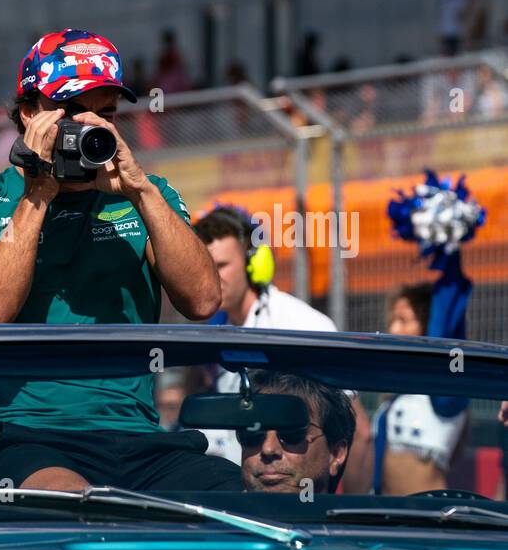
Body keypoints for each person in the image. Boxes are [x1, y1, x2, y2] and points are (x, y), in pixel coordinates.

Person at [0, 27, 235, 494]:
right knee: (78, 504)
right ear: (29, 113)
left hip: (135, 437)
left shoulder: (145, 195)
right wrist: (38, 194)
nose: (94, 129)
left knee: (240, 500)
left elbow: (203, 299)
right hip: (21, 439)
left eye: (108, 115)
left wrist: (141, 191)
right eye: (75, 113)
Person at [195, 206, 373, 491]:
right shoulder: (217, 330)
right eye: (203, 267)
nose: (211, 277)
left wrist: (353, 518)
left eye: (221, 266)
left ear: (255, 264)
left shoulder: (300, 324)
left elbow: (358, 432)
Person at [376, 283, 468, 494]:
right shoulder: (398, 390)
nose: (393, 330)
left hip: (429, 519)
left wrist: (450, 263)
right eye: (392, 321)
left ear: (428, 324)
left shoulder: (446, 387)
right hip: (387, 518)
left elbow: (446, 322)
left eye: (404, 321)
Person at [238, 371, 354, 496]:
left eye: (292, 433)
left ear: (336, 454)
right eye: (252, 434)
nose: (268, 449)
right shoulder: (216, 511)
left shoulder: (358, 516)